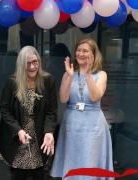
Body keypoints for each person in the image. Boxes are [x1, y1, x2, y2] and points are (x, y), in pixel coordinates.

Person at [51, 38, 113, 180]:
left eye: (85, 51)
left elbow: (95, 97)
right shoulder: (69, 73)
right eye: (79, 50)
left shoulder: (101, 74)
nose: (81, 53)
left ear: (93, 54)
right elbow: (63, 99)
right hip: (72, 125)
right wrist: (69, 76)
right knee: (72, 165)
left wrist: (89, 74)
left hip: (93, 127)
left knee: (89, 165)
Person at [0, 46, 57, 180]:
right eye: (27, 63)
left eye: (35, 62)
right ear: (21, 64)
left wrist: (49, 132)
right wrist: (18, 130)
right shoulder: (12, 82)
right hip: (19, 138)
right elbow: (4, 109)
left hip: (40, 137)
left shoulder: (48, 81)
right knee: (18, 175)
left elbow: (52, 111)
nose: (32, 67)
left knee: (39, 174)